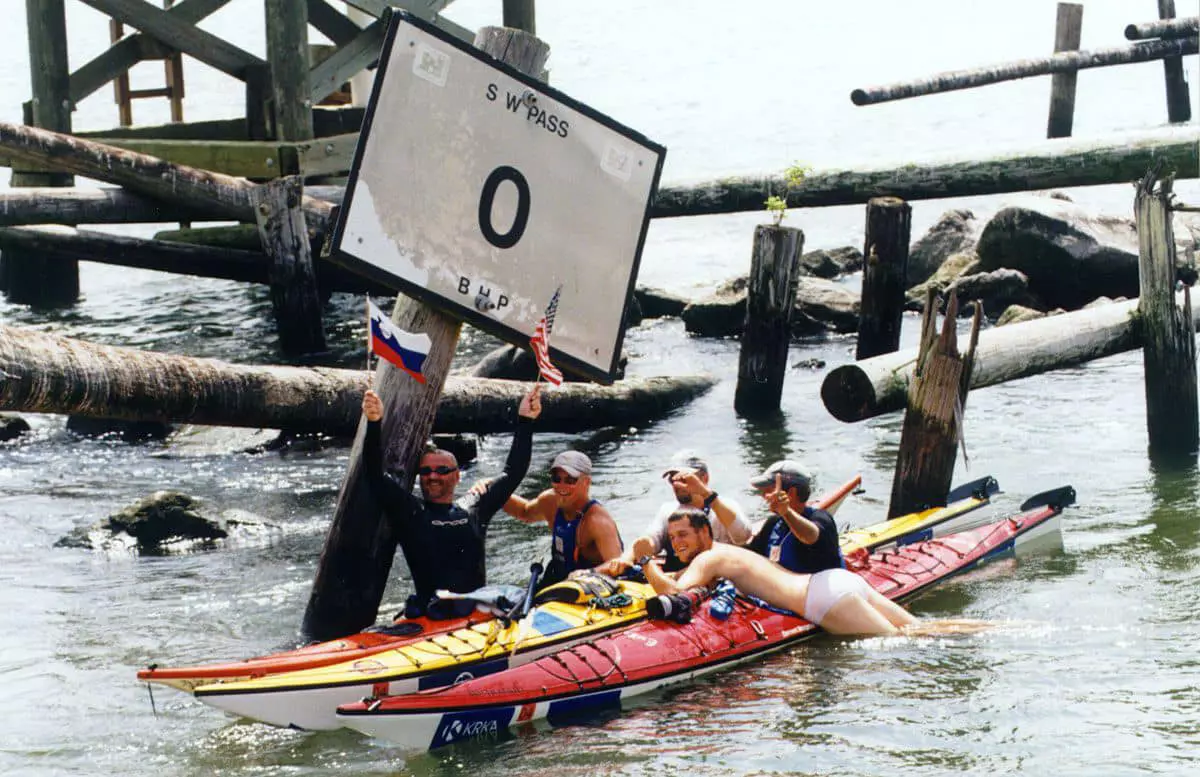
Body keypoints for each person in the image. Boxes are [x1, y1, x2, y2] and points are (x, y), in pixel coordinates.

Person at [360, 384, 541, 619]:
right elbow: (374, 474)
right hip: (431, 615)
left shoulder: (475, 506)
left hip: (477, 612)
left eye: (442, 470)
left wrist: (526, 421)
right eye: (425, 472)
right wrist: (374, 423)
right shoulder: (409, 511)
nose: (433, 476)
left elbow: (512, 473)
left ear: (457, 476)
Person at [643, 542, 915, 636]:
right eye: (673, 537)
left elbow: (675, 591)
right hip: (832, 580)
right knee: (919, 629)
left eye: (683, 536)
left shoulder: (707, 558)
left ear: (704, 534)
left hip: (820, 599)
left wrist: (646, 562)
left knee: (906, 641)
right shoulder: (733, 552)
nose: (677, 544)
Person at [597, 452, 751, 577]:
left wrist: (706, 495)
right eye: (672, 480)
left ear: (704, 478)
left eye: (683, 478)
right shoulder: (668, 510)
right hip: (678, 577)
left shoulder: (725, 506)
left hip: (717, 579)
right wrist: (627, 559)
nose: (676, 485)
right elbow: (651, 538)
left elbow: (743, 536)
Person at [500, 449, 624, 587]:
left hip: (591, 587)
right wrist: (492, 487)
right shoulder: (550, 501)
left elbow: (617, 564)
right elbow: (524, 512)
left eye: (570, 480)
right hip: (557, 580)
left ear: (586, 482)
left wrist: (589, 573)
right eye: (556, 479)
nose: (561, 486)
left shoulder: (597, 521)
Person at [747, 460, 844, 574]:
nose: (764, 495)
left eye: (769, 490)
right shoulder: (773, 523)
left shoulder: (822, 518)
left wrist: (786, 512)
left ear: (791, 493)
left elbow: (810, 536)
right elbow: (751, 554)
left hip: (813, 589)